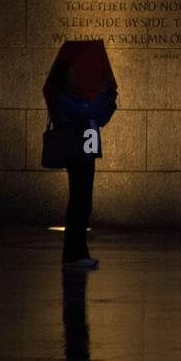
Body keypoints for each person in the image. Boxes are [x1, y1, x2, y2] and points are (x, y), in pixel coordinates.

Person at [44, 59, 117, 269]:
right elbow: (90, 111)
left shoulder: (80, 99)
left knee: (84, 202)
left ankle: (79, 252)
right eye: (73, 73)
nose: (78, 77)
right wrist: (103, 93)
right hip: (76, 151)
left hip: (87, 150)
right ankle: (73, 254)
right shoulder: (63, 99)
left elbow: (102, 117)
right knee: (79, 201)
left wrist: (109, 95)